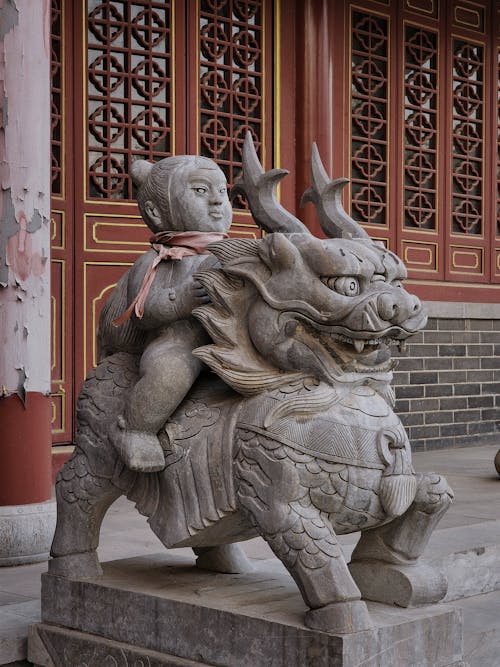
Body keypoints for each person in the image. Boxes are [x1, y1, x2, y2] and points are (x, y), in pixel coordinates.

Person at [98, 155, 232, 472]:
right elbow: (142, 313)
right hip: (179, 340)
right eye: (201, 190)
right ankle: (135, 429)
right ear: (156, 212)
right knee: (170, 371)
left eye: (223, 191)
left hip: (230, 341)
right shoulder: (158, 260)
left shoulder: (233, 252)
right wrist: (182, 297)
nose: (217, 200)